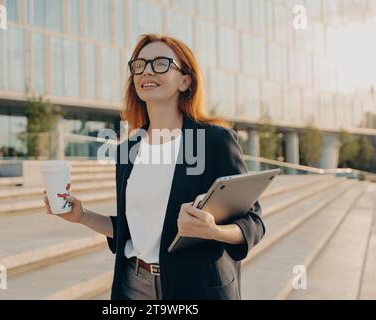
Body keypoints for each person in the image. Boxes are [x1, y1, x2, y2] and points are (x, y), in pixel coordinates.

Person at [44, 34, 265, 300]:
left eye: (161, 63)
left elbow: (253, 222)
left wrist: (214, 231)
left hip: (196, 286)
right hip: (133, 284)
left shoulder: (214, 141)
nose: (147, 70)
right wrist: (81, 216)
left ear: (185, 81)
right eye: (140, 64)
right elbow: (132, 229)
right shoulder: (128, 150)